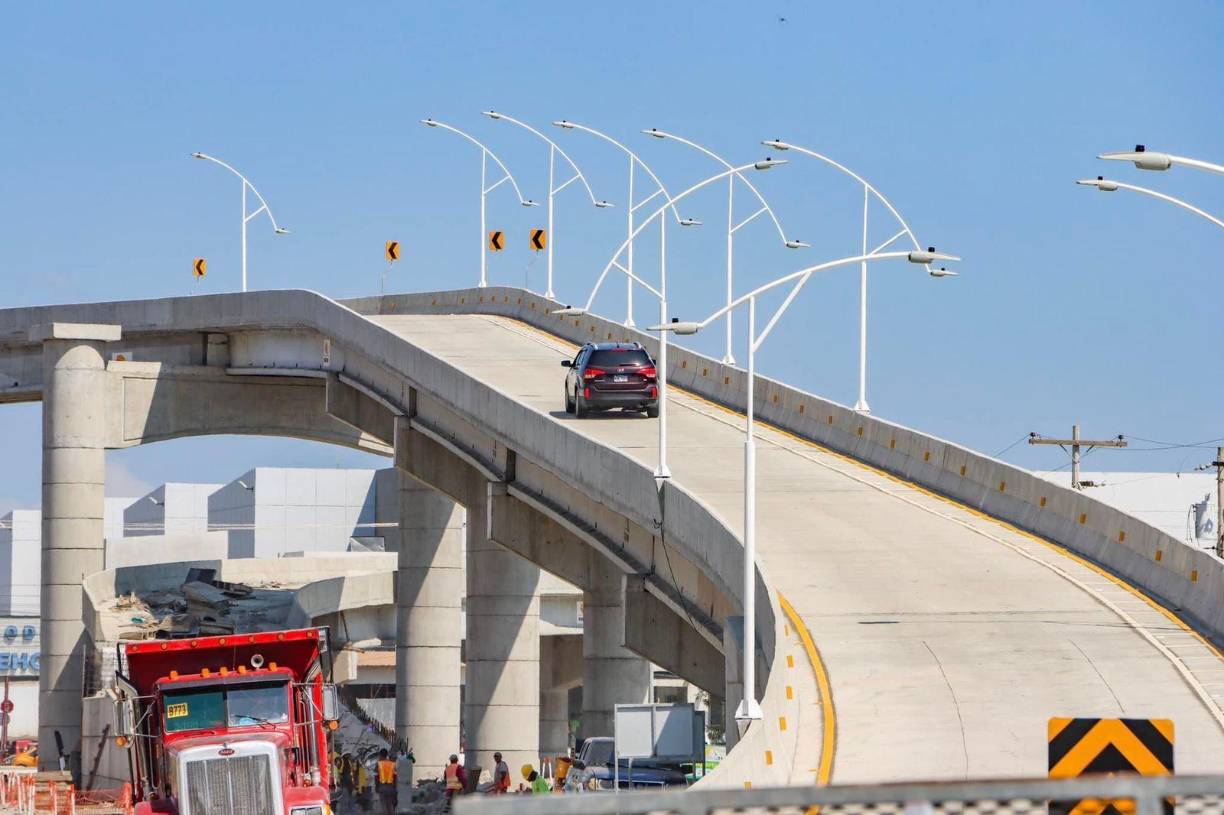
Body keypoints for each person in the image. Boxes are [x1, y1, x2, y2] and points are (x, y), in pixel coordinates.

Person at [375, 748, 397, 815]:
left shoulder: (379, 764)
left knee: (384, 805)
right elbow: (395, 776)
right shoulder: (392, 764)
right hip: (391, 787)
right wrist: (394, 787)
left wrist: (376, 786)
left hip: (382, 786)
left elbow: (376, 776)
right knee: (390, 805)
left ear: (381, 755)